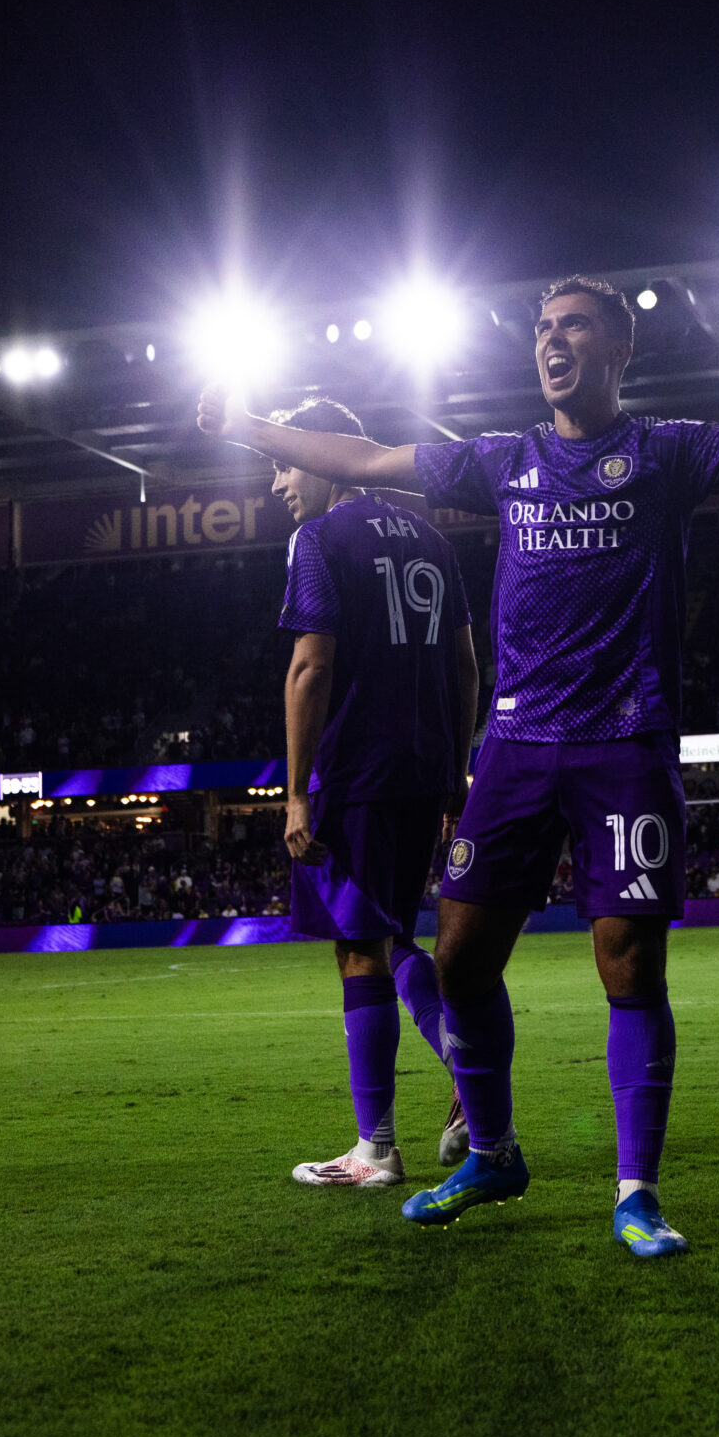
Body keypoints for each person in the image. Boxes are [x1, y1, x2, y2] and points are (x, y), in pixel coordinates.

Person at [198, 275, 719, 1257]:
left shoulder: (666, 452)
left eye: (574, 326)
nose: (552, 341)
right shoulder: (503, 460)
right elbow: (367, 457)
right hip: (515, 748)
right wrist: (247, 426)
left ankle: (638, 1193)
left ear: (619, 348)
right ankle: (493, 1152)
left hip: (623, 743)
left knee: (628, 962)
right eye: (543, 328)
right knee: (459, 959)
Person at [248, 396, 478, 1190]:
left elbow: (311, 666)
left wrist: (296, 795)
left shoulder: (318, 539)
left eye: (284, 463)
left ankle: (376, 1148)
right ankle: (469, 1078)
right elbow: (466, 665)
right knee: (391, 937)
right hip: (421, 772)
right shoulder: (433, 537)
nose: (278, 482)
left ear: (322, 454)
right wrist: (454, 772)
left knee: (357, 948)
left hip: (356, 774)